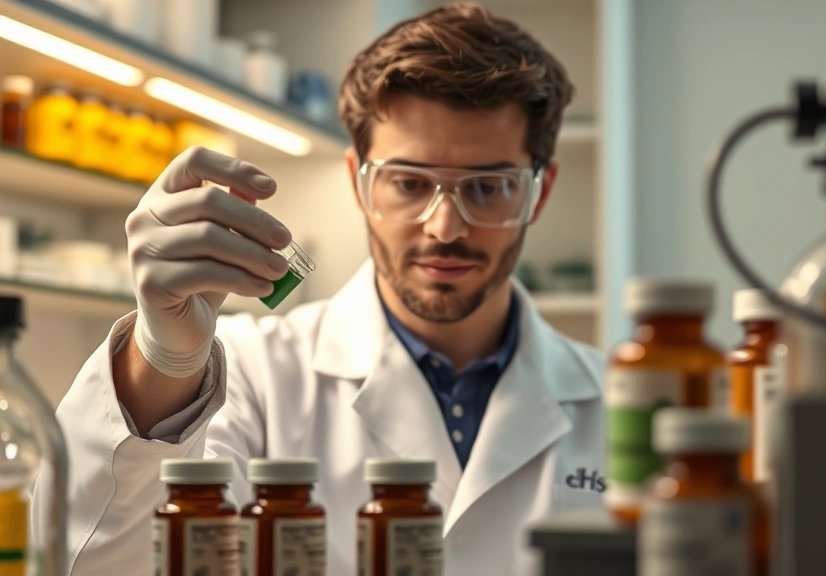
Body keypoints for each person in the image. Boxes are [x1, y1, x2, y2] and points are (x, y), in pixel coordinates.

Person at [46, 3, 606, 574]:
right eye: (409, 183)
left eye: (488, 187)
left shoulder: (621, 405)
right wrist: (162, 362)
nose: (445, 227)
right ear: (358, 184)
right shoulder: (249, 375)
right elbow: (94, 560)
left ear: (539, 192)